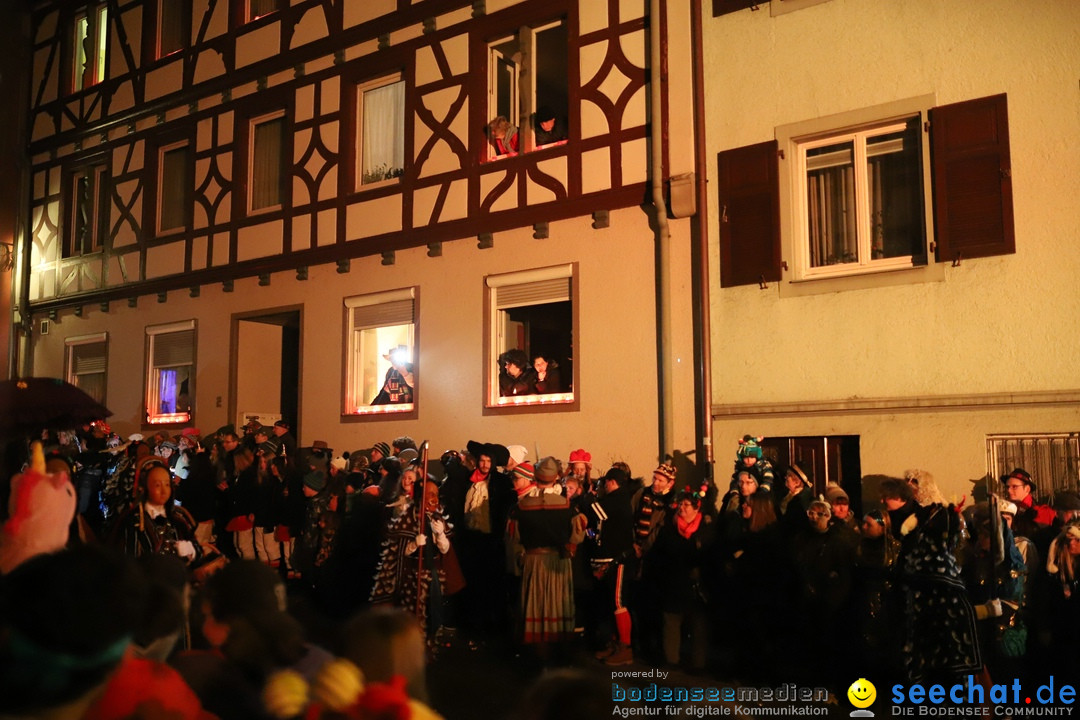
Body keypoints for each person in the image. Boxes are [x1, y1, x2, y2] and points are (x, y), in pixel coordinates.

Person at [652, 489, 715, 672]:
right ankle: (671, 660)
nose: (682, 508)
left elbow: (711, 556)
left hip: (697, 586)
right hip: (673, 583)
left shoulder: (706, 529)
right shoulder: (669, 529)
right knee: (671, 622)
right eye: (680, 504)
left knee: (698, 626)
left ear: (696, 509)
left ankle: (698, 663)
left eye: (686, 505)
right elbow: (659, 554)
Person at [112, 456, 203, 566]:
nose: (164, 491)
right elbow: (128, 564)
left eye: (167, 484)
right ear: (144, 487)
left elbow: (199, 552)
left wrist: (191, 550)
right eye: (157, 485)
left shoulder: (179, 517)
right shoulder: (133, 521)